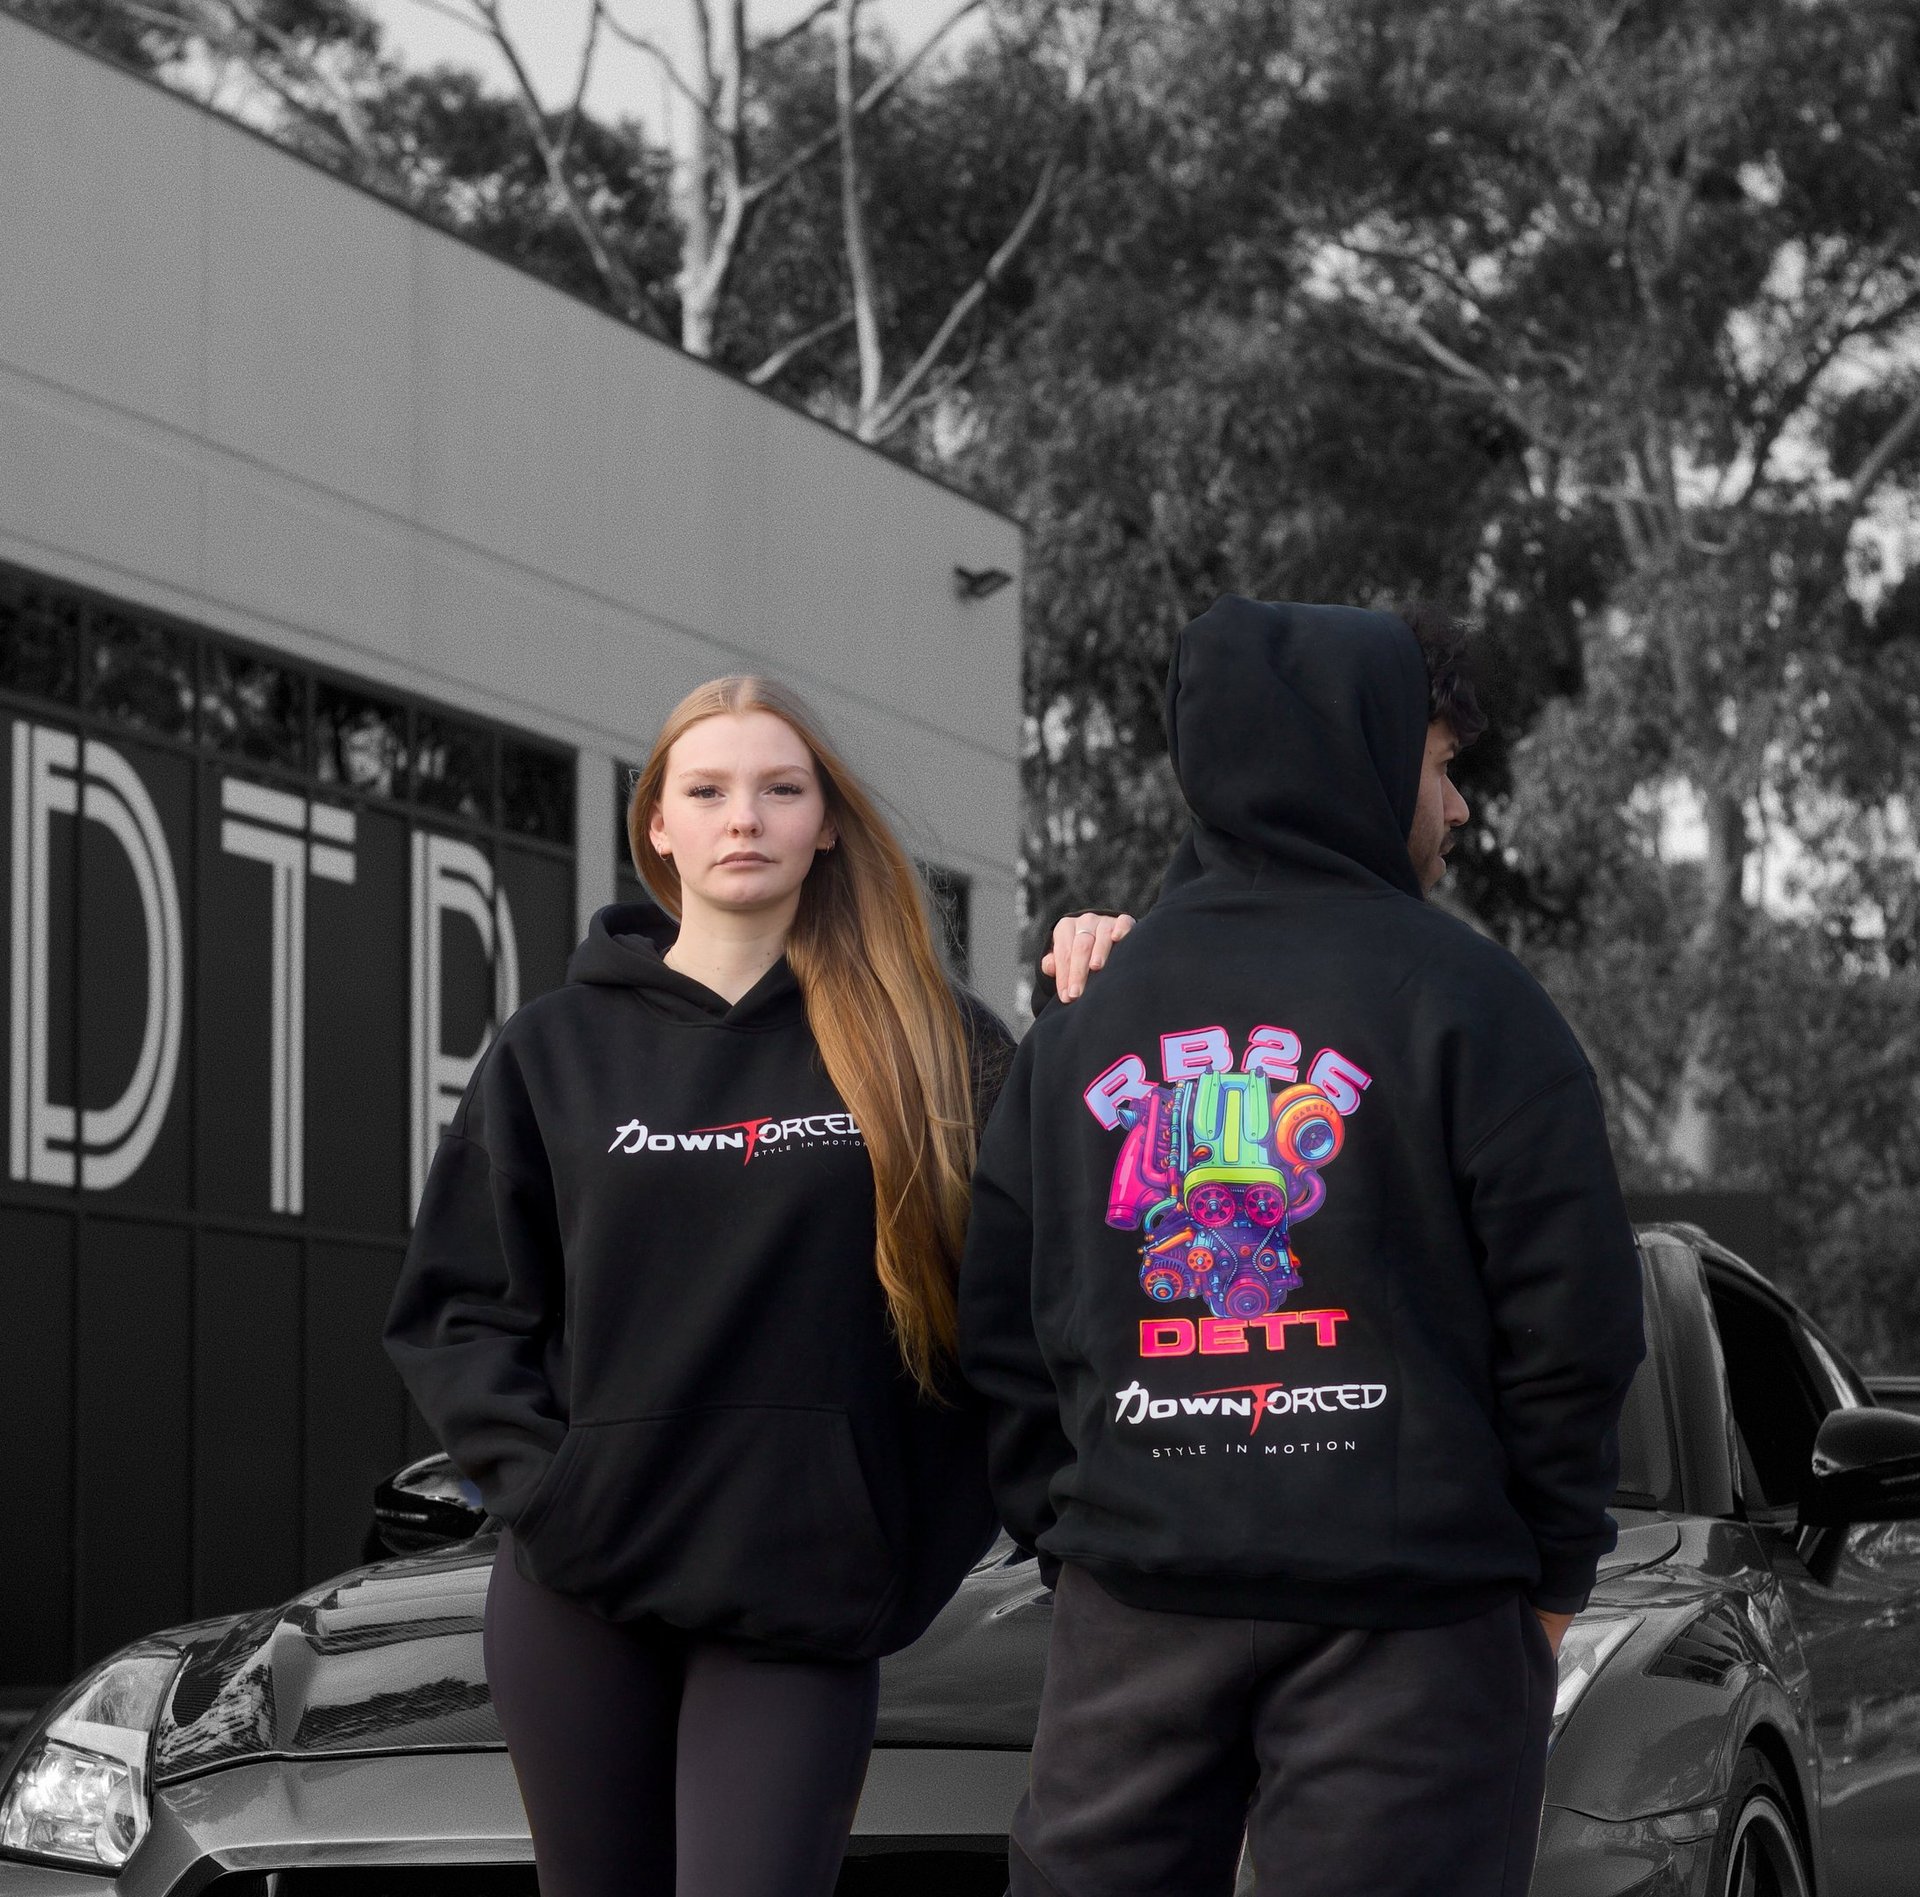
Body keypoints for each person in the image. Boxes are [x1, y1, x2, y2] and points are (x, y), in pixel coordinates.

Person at [958, 598, 1647, 1897]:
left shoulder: (1082, 1032)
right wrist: (1547, 1578)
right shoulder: (1476, 1003)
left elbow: (1001, 1321)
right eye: (1442, 767)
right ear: (1363, 755)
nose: (1459, 810)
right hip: (1411, 1624)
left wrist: (1089, 1532)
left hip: (1137, 1619)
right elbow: (1577, 1322)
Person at [384, 675, 1110, 1897]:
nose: (746, 817)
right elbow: (460, 1312)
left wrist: (1096, 1025)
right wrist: (559, 1495)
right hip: (581, 1594)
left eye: (782, 789)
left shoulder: (931, 1041)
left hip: (800, 1599)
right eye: (707, 790)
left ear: (827, 821)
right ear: (655, 825)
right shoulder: (551, 1051)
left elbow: (1026, 1294)